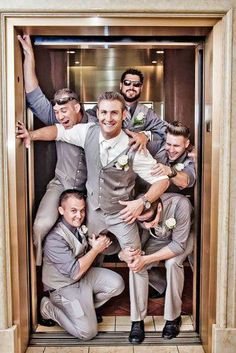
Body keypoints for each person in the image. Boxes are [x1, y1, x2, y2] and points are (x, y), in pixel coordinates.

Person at [16, 91, 169, 344]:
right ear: (96, 114)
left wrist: (142, 202)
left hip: (123, 216)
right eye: (104, 112)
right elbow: (57, 131)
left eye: (114, 113)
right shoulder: (87, 132)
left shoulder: (134, 147)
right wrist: (31, 135)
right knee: (91, 254)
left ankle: (137, 321)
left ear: (123, 115)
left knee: (136, 262)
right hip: (93, 212)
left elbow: (162, 180)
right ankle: (86, 306)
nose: (108, 118)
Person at [17, 34, 94, 266]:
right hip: (60, 184)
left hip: (89, 191)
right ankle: (39, 272)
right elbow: (33, 93)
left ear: (77, 107)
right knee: (41, 225)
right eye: (57, 113)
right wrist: (29, 54)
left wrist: (141, 135)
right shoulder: (57, 119)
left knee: (96, 231)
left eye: (65, 112)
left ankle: (87, 275)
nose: (60, 117)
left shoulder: (97, 123)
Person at [40, 189, 124, 340]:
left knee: (117, 284)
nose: (79, 216)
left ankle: (86, 308)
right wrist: (96, 250)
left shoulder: (79, 226)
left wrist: (100, 243)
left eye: (82, 210)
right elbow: (74, 272)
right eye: (73, 211)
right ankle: (48, 308)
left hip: (83, 278)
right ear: (61, 210)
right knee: (87, 333)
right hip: (64, 286)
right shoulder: (54, 239)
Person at [119, 192, 194, 340]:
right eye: (142, 222)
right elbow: (125, 244)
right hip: (158, 238)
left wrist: (146, 259)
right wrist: (126, 255)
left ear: (159, 207)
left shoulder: (180, 204)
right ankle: (137, 320)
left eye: (150, 219)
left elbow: (178, 246)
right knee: (136, 262)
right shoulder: (136, 210)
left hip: (183, 237)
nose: (147, 225)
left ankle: (173, 318)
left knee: (172, 263)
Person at [87, 67, 167, 154]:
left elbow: (165, 131)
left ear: (141, 87)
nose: (131, 87)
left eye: (136, 84)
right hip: (106, 156)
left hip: (133, 159)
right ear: (121, 85)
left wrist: (146, 135)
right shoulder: (107, 104)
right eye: (127, 83)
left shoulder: (146, 112)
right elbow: (87, 119)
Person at [151, 121, 196, 193]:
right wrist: (143, 136)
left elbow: (185, 181)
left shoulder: (190, 160)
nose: (171, 150)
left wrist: (169, 171)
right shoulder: (157, 146)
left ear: (186, 144)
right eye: (168, 144)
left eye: (176, 146)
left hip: (168, 197)